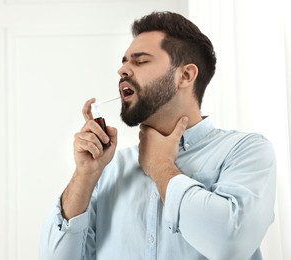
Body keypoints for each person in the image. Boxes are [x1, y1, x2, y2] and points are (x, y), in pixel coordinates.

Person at [40, 11, 276, 260]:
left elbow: (230, 245)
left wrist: (160, 167)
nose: (122, 70)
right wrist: (85, 175)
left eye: (140, 61)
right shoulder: (108, 169)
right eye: (124, 62)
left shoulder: (247, 151)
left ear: (185, 76)